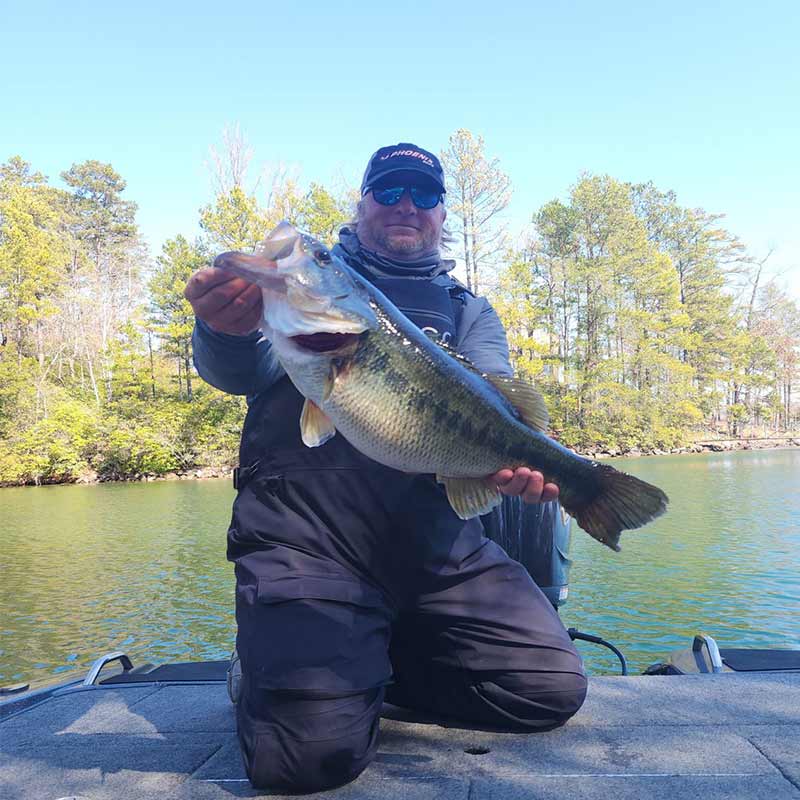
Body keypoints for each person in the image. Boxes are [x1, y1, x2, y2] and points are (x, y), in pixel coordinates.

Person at [185, 143, 587, 793]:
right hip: (306, 547)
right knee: (306, 762)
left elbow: (503, 414)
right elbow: (237, 370)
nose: (407, 206)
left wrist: (519, 468)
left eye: (424, 195)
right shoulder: (297, 297)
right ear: (363, 203)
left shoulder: (468, 311)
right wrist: (224, 329)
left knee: (545, 691)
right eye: (390, 191)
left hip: (437, 550)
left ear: (441, 214)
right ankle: (278, 675)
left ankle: (363, 670)